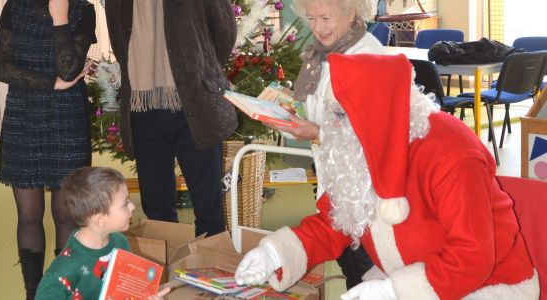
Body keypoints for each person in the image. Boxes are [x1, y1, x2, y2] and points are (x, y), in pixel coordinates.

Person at [234, 53, 540, 299]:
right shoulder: (362, 146)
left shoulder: (451, 153)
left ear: (377, 113)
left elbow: (473, 257)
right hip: (408, 275)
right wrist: (275, 253)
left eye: (341, 116)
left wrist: (395, 291)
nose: (333, 128)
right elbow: (335, 222)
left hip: (488, 285)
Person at [263, 0, 383, 289]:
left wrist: (316, 131)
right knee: (353, 272)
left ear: (351, 11)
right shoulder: (320, 57)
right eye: (312, 18)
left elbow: (373, 136)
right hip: (335, 192)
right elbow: (314, 116)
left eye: (326, 18)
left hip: (368, 200)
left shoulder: (367, 58)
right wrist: (288, 118)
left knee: (366, 276)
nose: (317, 27)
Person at [103, 0, 238, 237]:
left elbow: (225, 30)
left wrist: (202, 70)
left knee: (209, 205)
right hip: (142, 108)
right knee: (157, 208)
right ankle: (166, 269)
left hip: (194, 103)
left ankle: (213, 266)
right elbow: (118, 40)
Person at [0, 0, 96, 298]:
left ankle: (63, 291)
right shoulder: (16, 6)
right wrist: (52, 84)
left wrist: (59, 18)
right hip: (23, 118)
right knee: (28, 215)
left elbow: (70, 67)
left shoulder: (83, 10)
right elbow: (0, 67)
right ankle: (34, 292)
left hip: (68, 121)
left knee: (66, 216)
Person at [35, 167, 170, 299]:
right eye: (125, 203)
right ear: (100, 220)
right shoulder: (63, 270)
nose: (133, 207)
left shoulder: (120, 242)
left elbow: (127, 289)